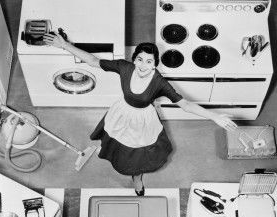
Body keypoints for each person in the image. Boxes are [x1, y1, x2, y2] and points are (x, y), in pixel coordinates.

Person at [43, 33, 238, 196]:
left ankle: (137, 178)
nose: (143, 65)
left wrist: (215, 117)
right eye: (140, 59)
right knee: (118, 146)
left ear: (155, 64)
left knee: (138, 154)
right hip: (121, 113)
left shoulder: (159, 82)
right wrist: (64, 45)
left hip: (143, 120)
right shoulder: (124, 68)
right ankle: (126, 166)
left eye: (149, 61)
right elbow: (93, 61)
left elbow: (185, 104)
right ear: (134, 59)